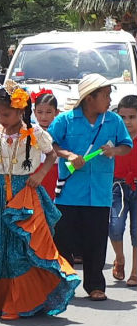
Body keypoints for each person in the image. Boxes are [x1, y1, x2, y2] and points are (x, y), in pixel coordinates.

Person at [0, 82, 81, 319]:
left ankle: (18, 302)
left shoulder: (34, 133)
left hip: (23, 192)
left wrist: (39, 174)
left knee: (19, 247)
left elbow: (51, 154)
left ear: (20, 110)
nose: (1, 119)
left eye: (5, 114)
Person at [50, 74, 133, 301]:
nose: (109, 99)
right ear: (89, 98)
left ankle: (96, 286)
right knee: (64, 241)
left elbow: (126, 145)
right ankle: (63, 285)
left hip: (99, 192)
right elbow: (51, 144)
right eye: (105, 95)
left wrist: (114, 151)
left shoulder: (113, 121)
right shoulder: (65, 120)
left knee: (95, 240)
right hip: (69, 192)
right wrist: (68, 154)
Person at [109, 95, 137, 287]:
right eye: (123, 117)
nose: (127, 122)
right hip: (117, 187)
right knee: (115, 227)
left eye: (132, 117)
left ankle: (135, 272)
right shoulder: (113, 136)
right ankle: (119, 258)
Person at [32, 89, 60, 200]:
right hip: (34, 171)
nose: (44, 116)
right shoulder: (30, 130)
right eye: (40, 112)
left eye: (48, 112)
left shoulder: (60, 130)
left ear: (56, 112)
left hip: (55, 171)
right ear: (34, 112)